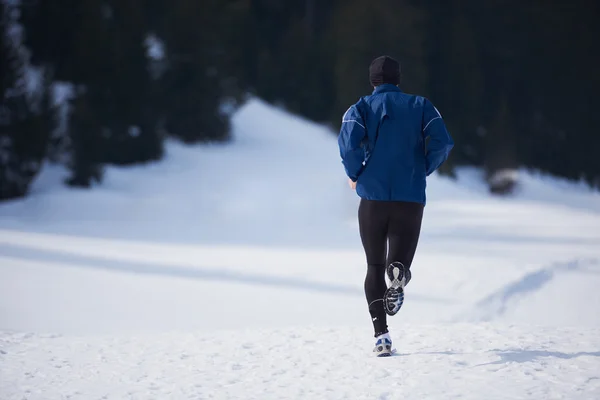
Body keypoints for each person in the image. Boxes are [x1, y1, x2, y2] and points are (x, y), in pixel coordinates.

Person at [337, 55, 454, 357]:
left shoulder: (358, 108)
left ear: (372, 80)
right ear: (399, 78)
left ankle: (381, 336)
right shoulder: (422, 106)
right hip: (410, 198)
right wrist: (422, 168)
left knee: (373, 266)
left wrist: (355, 174)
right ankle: (399, 271)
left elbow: (349, 143)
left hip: (373, 199)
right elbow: (442, 142)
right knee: (396, 263)